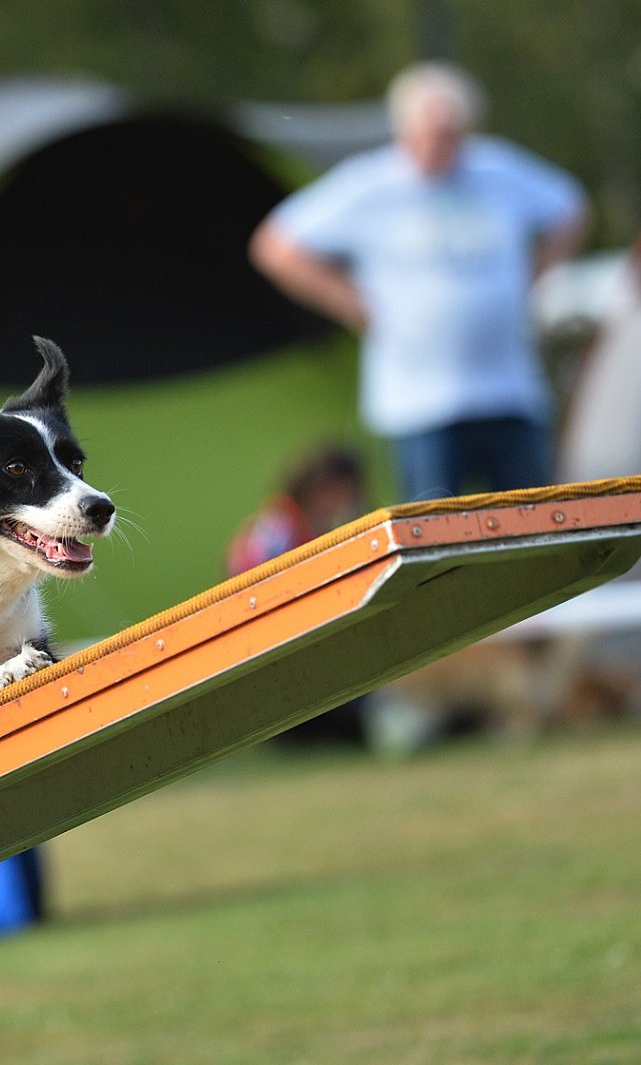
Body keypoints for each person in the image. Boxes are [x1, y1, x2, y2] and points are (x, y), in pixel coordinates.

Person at [250, 62, 588, 501]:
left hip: (509, 392)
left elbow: (571, 208)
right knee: (435, 532)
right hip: (419, 405)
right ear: (403, 130)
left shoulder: (498, 169)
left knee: (535, 520)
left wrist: (534, 275)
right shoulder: (370, 184)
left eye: (449, 135)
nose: (437, 147)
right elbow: (276, 246)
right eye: (427, 134)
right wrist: (351, 303)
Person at [228, 445, 368, 745]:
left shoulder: (305, 525)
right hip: (270, 666)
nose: (351, 500)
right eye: (345, 491)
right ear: (321, 487)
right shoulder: (279, 531)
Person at [228, 445, 366, 577]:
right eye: (339, 492)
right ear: (318, 486)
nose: (344, 501)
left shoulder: (319, 525)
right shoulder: (281, 523)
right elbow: (258, 573)